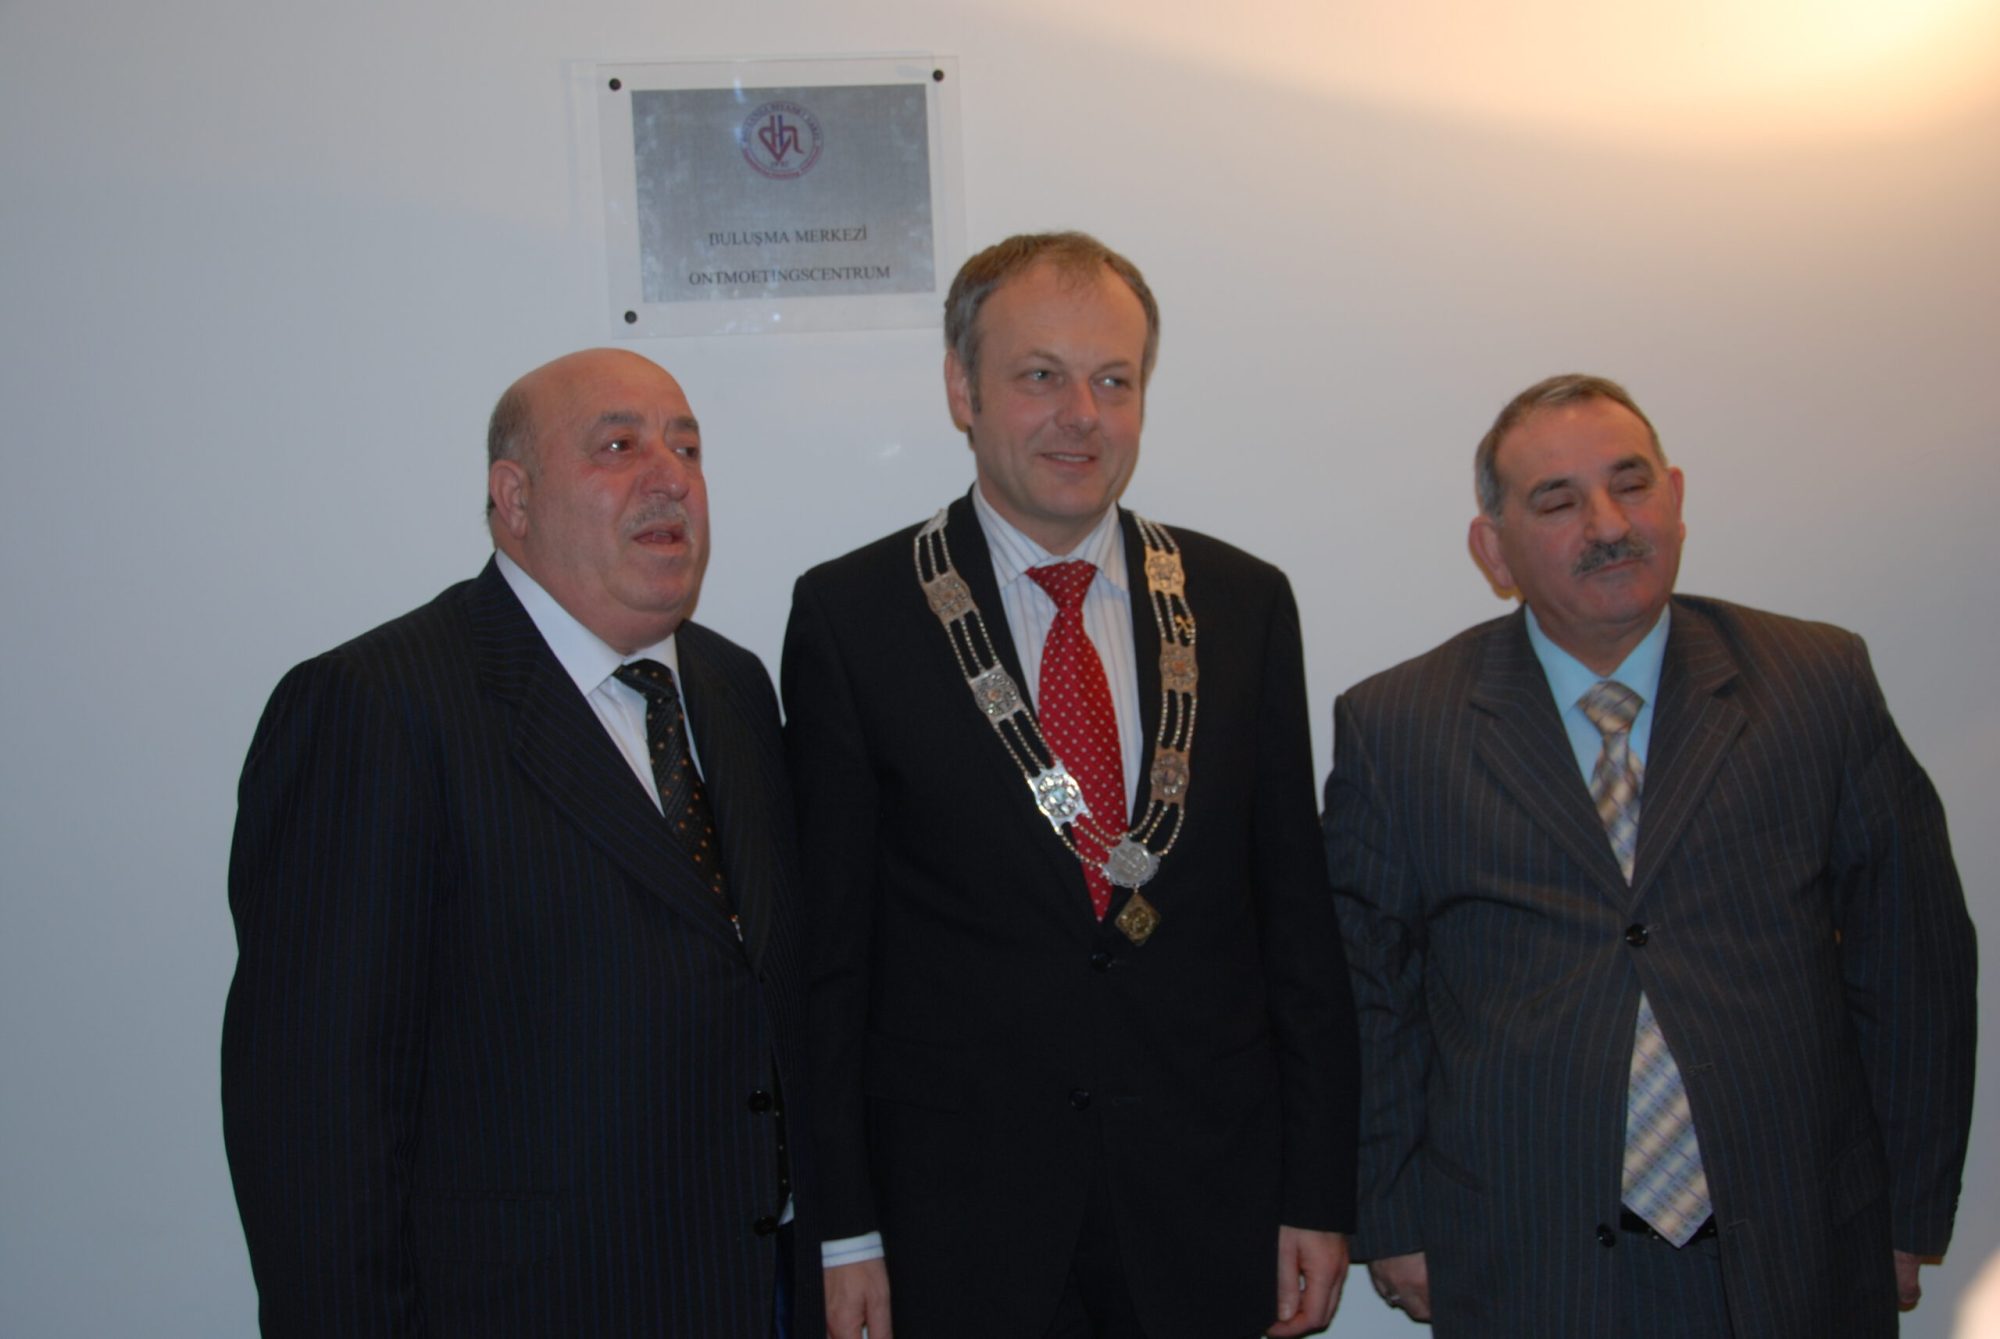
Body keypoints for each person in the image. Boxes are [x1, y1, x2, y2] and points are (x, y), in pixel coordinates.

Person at [782, 232, 1360, 1339]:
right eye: (1040, 375)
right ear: (962, 389)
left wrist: (1318, 1189)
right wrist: (843, 1229)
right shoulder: (854, 617)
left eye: (1114, 381)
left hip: (1206, 1202)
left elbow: (1295, 923)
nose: (1080, 416)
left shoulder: (1241, 604)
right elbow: (830, 962)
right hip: (958, 1220)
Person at [1323, 373, 1977, 1337]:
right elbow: (1366, 996)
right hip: (1526, 1258)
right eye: (1558, 501)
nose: (1609, 524)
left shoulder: (1816, 683)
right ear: (1493, 549)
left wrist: (1910, 1212)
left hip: (1800, 1246)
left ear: (1673, 497)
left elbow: (1915, 962)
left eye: (1630, 485)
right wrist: (1393, 1216)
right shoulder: (1400, 726)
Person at [222, 348, 820, 1336]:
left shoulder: (734, 688)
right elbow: (313, 1121)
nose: (669, 476)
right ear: (514, 497)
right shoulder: (377, 706)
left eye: (686, 447)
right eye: (617, 446)